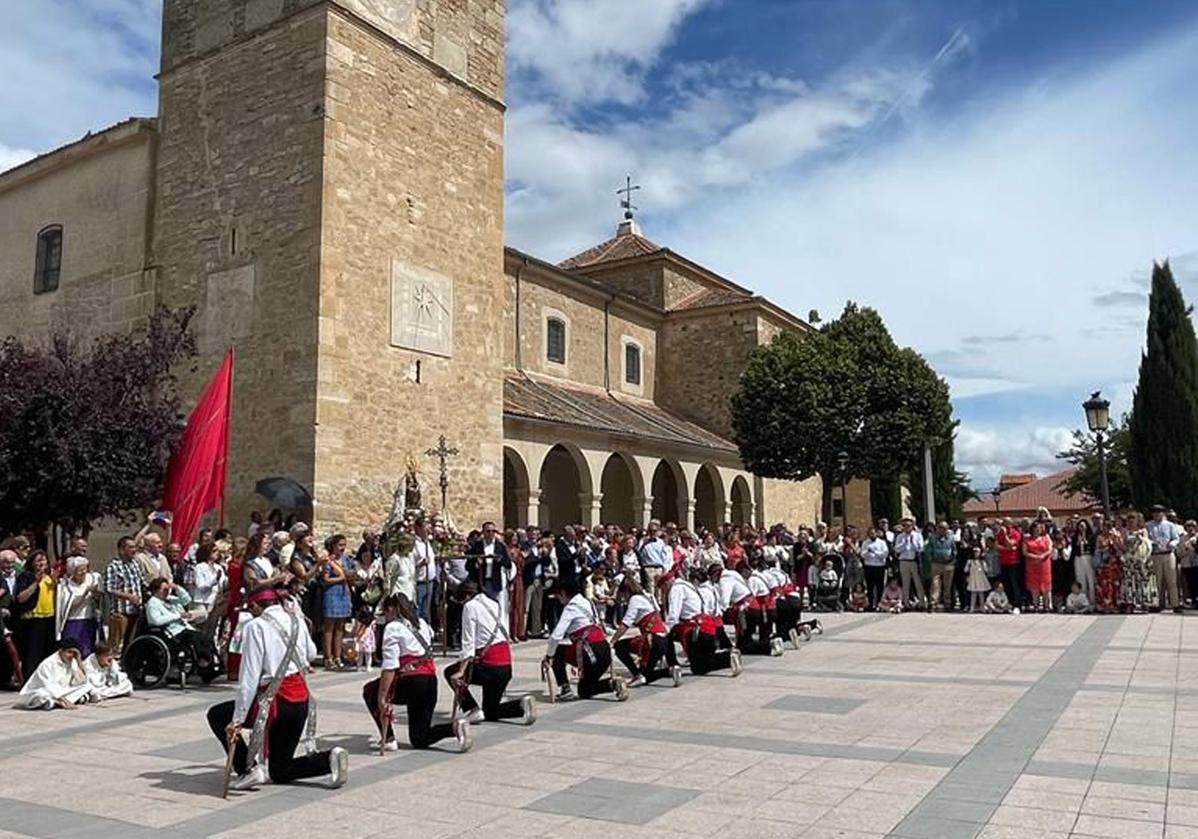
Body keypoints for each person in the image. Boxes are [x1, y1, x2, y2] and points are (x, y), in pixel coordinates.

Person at [208, 587, 348, 791]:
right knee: (280, 770)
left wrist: (238, 719)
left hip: (275, 703)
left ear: (256, 605)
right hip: (300, 701)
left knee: (218, 716)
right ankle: (328, 759)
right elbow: (311, 653)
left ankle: (248, 770)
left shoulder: (256, 626)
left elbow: (249, 676)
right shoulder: (296, 620)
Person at [364, 593, 471, 753]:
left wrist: (382, 697)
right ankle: (454, 728)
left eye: (385, 613)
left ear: (391, 609)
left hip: (411, 681)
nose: (385, 618)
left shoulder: (393, 627)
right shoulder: (422, 623)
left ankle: (389, 739)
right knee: (420, 738)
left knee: (370, 690)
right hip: (429, 681)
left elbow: (390, 666)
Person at [442, 580, 536, 724]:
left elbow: (468, 642)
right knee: (490, 711)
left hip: (489, 664)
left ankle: (472, 709)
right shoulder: (494, 603)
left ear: (466, 595)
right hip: (505, 665)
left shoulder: (470, 606)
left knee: (450, 672)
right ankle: (521, 706)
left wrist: (461, 670)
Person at [543, 578, 629, 703]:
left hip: (590, 651)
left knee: (558, 652)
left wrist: (548, 656)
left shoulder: (570, 608)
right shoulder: (587, 602)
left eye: (557, 595)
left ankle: (565, 689)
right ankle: (612, 684)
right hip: (604, 650)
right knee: (584, 690)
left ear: (563, 593)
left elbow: (556, 636)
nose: (558, 599)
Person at [667, 566, 740, 677]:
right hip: (708, 626)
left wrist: (668, 627)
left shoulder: (677, 589)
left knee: (668, 638)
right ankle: (727, 657)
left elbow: (674, 613)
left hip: (694, 630)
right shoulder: (698, 589)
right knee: (701, 664)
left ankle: (673, 665)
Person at [610, 575, 680, 688]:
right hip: (664, 638)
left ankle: (638, 674)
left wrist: (613, 640)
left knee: (619, 646)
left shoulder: (634, 600)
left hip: (652, 640)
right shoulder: (648, 596)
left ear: (627, 591)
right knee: (647, 673)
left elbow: (625, 624)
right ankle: (670, 670)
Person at [146, 577, 221, 680]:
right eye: (164, 590)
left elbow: (186, 599)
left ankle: (211, 664)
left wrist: (177, 588)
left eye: (167, 589)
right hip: (171, 631)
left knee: (205, 638)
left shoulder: (171, 600)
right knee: (196, 639)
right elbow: (156, 620)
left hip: (183, 628)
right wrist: (178, 615)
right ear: (155, 590)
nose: (166, 592)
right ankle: (204, 665)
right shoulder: (153, 603)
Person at [14, 639, 92, 710]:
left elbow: (82, 681)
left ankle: (55, 702)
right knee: (41, 695)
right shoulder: (48, 663)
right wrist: (64, 700)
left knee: (87, 686)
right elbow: (48, 686)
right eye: (69, 652)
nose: (71, 655)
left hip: (61, 692)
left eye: (74, 653)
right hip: (41, 691)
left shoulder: (72, 661)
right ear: (61, 651)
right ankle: (58, 702)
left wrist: (79, 661)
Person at [103, 536, 148, 656]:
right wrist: (128, 596)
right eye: (131, 547)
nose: (135, 550)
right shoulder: (113, 566)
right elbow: (108, 588)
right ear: (122, 550)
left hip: (135, 611)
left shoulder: (135, 564)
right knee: (115, 644)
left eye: (135, 547)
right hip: (120, 612)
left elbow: (143, 583)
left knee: (130, 643)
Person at [13, 550, 56, 672]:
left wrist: (56, 581)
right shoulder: (26, 576)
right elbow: (20, 598)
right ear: (31, 563)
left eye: (44, 560)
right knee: (33, 653)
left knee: (47, 652)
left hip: (49, 617)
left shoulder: (50, 577)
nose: (41, 563)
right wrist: (35, 583)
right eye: (38, 560)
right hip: (33, 618)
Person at [55, 556, 101, 658]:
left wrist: (96, 595)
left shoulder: (92, 579)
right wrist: (85, 592)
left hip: (89, 621)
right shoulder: (65, 585)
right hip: (73, 622)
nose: (83, 572)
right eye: (80, 570)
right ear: (73, 572)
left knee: (88, 652)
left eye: (85, 569)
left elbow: (100, 599)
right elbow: (70, 605)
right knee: (73, 651)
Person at [320, 535, 352, 670]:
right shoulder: (328, 561)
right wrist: (340, 578)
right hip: (332, 593)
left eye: (344, 545)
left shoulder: (346, 560)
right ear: (333, 546)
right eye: (340, 545)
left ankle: (338, 656)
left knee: (340, 626)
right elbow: (325, 579)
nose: (343, 548)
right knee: (329, 627)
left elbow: (350, 573)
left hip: (343, 593)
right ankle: (328, 657)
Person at [1147, 505, 1182, 613]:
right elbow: (1147, 538)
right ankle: (1159, 603)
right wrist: (1153, 544)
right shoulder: (1148, 525)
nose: (1156, 514)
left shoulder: (1170, 525)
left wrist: (1171, 544)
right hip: (1156, 554)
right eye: (1154, 512)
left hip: (1168, 554)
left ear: (1163, 513)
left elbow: (1176, 538)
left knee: (1171, 580)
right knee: (1158, 580)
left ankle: (1175, 604)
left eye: (1159, 512)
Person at [1120, 513, 1156, 613]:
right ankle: (1131, 604)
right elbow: (1123, 545)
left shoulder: (1143, 531)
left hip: (1141, 560)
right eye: (1129, 519)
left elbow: (1147, 544)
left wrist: (1141, 539)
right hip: (1130, 560)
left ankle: (1145, 604)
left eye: (1133, 518)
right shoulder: (1125, 532)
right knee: (1130, 582)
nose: (1131, 521)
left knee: (1143, 582)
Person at [894, 519, 926, 609]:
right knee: (905, 583)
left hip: (914, 561)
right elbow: (897, 549)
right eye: (905, 525)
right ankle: (906, 603)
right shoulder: (900, 536)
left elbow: (921, 548)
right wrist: (904, 543)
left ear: (912, 526)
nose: (907, 527)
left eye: (909, 525)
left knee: (918, 583)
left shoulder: (918, 536)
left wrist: (913, 543)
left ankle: (921, 603)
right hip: (904, 561)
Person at [1022, 522, 1053, 613]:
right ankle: (1036, 605)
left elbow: (1050, 549)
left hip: (1044, 564)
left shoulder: (1046, 538)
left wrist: (1043, 556)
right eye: (1035, 528)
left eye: (1039, 528)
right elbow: (1025, 552)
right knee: (1034, 585)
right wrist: (1035, 557)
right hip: (1032, 564)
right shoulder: (1027, 539)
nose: (1037, 530)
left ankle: (1046, 606)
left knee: (1046, 585)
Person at [859, 528, 890, 611]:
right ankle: (870, 604)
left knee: (880, 586)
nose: (872, 535)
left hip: (879, 566)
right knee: (870, 587)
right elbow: (862, 554)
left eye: (873, 533)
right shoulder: (865, 543)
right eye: (870, 534)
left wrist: (875, 552)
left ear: (876, 533)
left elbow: (885, 554)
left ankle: (879, 604)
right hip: (869, 566)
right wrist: (868, 552)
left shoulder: (882, 543)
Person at [1071, 520, 1098, 609]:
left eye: (1083, 526)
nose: (1081, 528)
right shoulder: (1075, 537)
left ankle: (1092, 602)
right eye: (1080, 526)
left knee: (1090, 580)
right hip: (1078, 559)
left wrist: (1085, 541)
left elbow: (1093, 547)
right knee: (1081, 580)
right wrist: (1078, 542)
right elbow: (1073, 550)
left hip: (1088, 558)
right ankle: (1083, 601)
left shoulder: (1091, 536)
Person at [966, 541, 990, 612]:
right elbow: (966, 570)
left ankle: (982, 607)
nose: (976, 554)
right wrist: (968, 565)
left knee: (981, 593)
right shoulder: (970, 561)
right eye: (975, 552)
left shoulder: (982, 562)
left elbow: (986, 570)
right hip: (973, 578)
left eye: (978, 552)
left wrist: (984, 564)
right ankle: (972, 608)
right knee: (973, 594)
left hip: (980, 578)